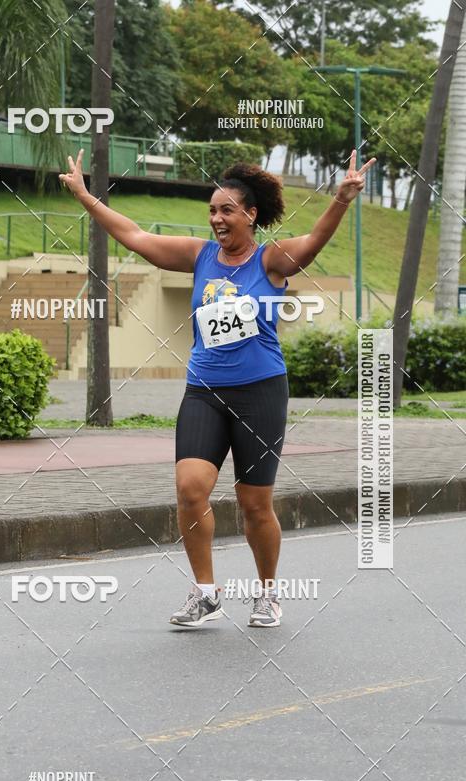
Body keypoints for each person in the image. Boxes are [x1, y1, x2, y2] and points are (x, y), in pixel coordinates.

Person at [59, 148, 375, 628]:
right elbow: (137, 237)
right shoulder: (201, 255)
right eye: (211, 211)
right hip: (204, 390)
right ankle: (206, 593)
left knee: (254, 504)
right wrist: (86, 197)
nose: (216, 219)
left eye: (226, 210)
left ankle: (267, 594)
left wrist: (342, 199)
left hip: (260, 391)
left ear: (250, 215)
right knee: (190, 489)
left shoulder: (270, 260)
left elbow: (313, 242)